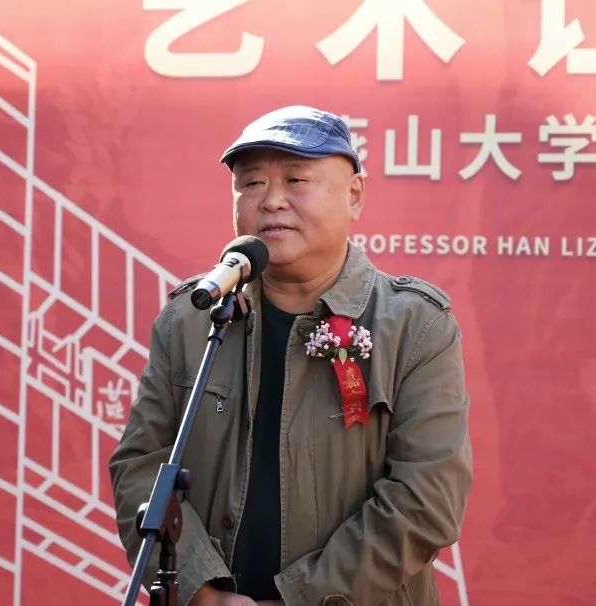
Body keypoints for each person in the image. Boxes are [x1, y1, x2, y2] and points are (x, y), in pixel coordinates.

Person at [109, 106, 472, 606]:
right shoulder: (193, 318)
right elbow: (142, 466)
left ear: (354, 195)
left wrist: (302, 598)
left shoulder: (415, 325)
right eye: (251, 183)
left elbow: (426, 497)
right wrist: (202, 592)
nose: (272, 200)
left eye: (296, 179)